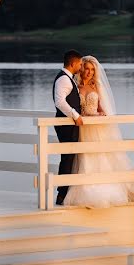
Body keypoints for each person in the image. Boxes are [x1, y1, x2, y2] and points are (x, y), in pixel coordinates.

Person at [63, 56, 134, 208]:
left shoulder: (96, 87)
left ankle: (106, 189)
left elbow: (101, 109)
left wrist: (100, 114)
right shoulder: (75, 87)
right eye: (86, 68)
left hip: (97, 127)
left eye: (92, 70)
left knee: (101, 156)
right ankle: (85, 190)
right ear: (81, 69)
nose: (89, 72)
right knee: (85, 158)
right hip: (82, 128)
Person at [53, 49, 83, 205]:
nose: (81, 66)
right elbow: (60, 102)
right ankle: (61, 194)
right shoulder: (64, 79)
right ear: (73, 63)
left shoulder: (69, 78)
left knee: (69, 157)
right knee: (67, 157)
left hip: (69, 124)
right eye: (79, 63)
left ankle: (64, 193)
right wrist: (75, 115)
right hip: (66, 125)